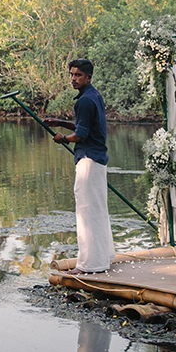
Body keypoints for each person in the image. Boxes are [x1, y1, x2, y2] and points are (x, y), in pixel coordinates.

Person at [44, 59, 115, 273]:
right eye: (72, 74)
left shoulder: (84, 101)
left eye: (78, 75)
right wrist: (62, 122)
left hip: (89, 161)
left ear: (88, 77)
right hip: (98, 160)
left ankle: (87, 265)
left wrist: (62, 138)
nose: (73, 79)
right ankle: (103, 258)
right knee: (98, 209)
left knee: (86, 212)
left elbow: (81, 135)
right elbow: (87, 126)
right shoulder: (94, 96)